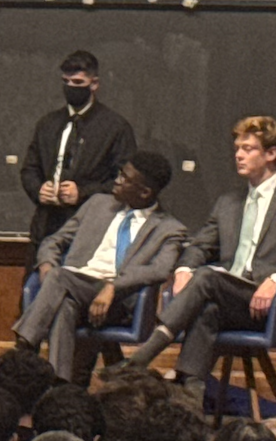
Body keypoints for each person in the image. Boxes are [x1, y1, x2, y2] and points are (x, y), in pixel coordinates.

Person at [122, 117, 276, 399]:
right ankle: (191, 394)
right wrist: (183, 269)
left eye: (248, 149)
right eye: (237, 148)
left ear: (271, 153)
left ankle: (145, 354)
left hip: (264, 304)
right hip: (226, 299)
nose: (238, 155)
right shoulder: (227, 203)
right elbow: (200, 247)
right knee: (207, 310)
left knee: (207, 276)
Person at [13, 153, 185, 381]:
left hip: (117, 302)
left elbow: (159, 270)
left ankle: (24, 349)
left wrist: (113, 286)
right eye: (120, 173)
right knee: (65, 305)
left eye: (125, 178)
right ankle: (61, 384)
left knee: (60, 278)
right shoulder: (97, 204)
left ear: (144, 192)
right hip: (73, 286)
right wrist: (46, 266)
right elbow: (54, 241)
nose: (117, 180)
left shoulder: (169, 229)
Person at [22, 52, 137, 260]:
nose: (70, 87)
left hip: (91, 229)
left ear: (94, 84)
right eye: (65, 81)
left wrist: (83, 192)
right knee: (39, 278)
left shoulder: (115, 127)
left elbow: (125, 182)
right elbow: (30, 168)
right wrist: (38, 189)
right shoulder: (48, 123)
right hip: (46, 225)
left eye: (77, 82)